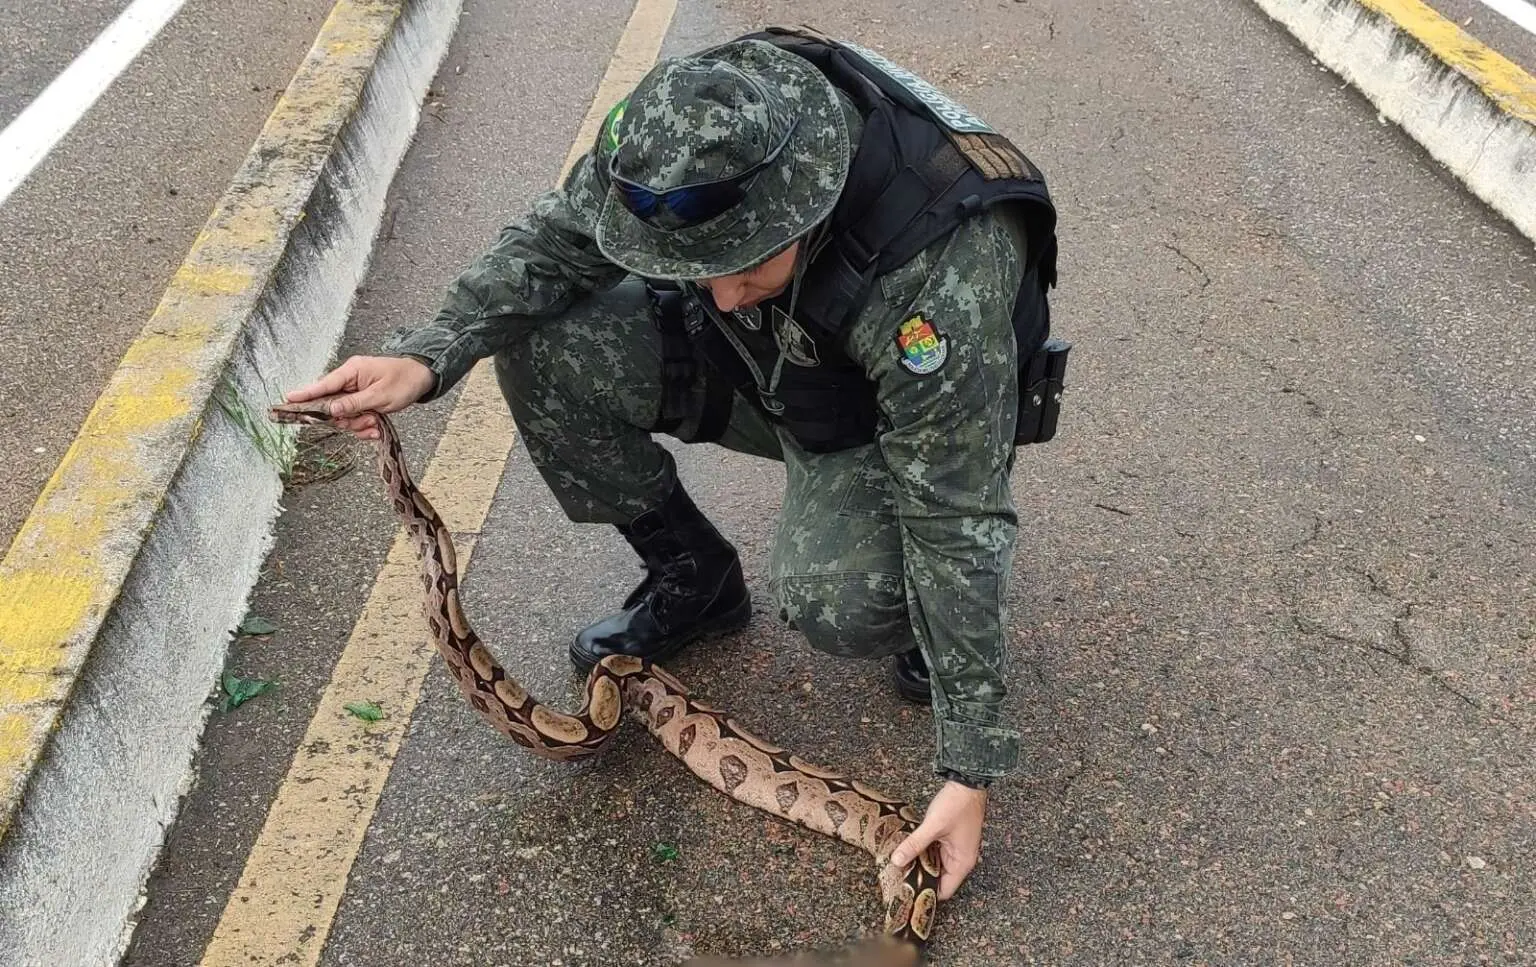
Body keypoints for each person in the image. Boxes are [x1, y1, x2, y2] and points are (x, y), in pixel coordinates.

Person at [283, 26, 1064, 903]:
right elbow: (551, 246)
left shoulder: (939, 266)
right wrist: (427, 355)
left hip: (896, 421)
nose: (718, 290)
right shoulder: (673, 144)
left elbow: (956, 515)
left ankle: (918, 623)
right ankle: (693, 572)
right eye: (694, 269)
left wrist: (969, 768)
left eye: (739, 265)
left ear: (803, 206)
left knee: (839, 597)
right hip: (774, 373)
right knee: (544, 340)